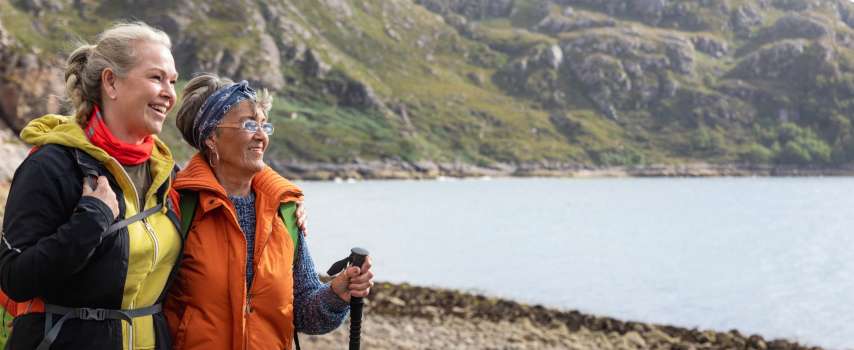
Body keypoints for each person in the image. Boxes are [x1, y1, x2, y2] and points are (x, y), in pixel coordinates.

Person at [0, 22, 182, 349]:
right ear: (111, 82)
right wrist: (91, 219)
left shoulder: (167, 174)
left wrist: (277, 202)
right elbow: (15, 279)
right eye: (156, 78)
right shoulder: (52, 165)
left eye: (173, 81)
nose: (170, 93)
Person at [164, 74, 374, 350]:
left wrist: (337, 293)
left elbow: (304, 312)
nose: (261, 136)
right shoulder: (177, 204)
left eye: (265, 125)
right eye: (249, 124)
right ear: (211, 137)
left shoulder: (284, 211)